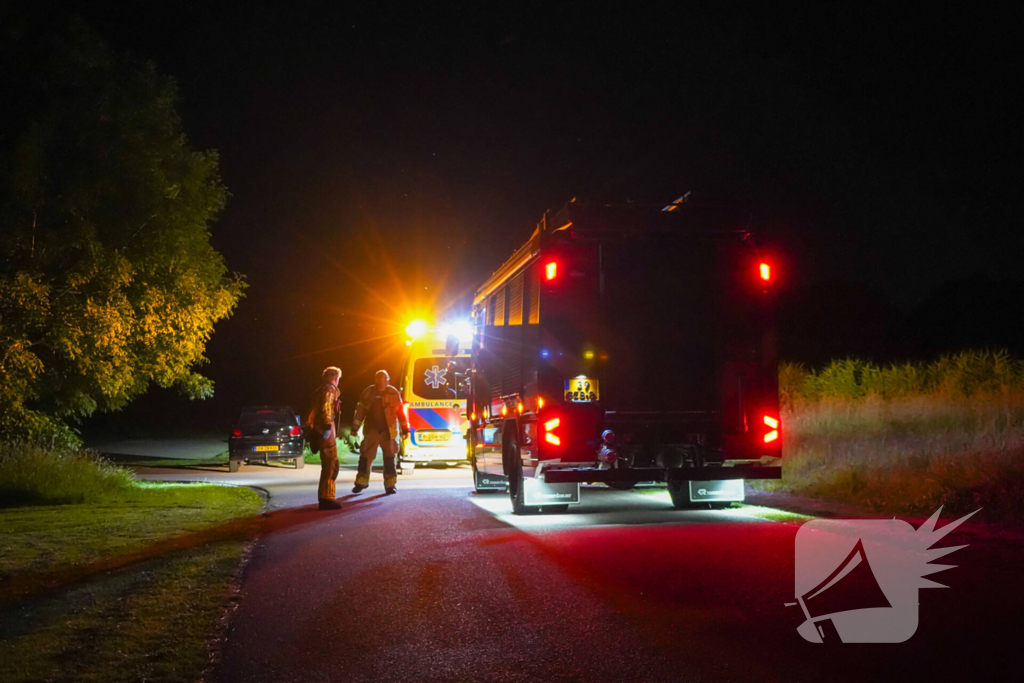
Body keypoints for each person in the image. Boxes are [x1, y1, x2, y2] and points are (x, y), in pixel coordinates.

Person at [351, 369, 409, 495]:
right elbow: (360, 411)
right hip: (372, 430)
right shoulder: (368, 393)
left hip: (389, 431)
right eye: (379, 379)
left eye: (384, 379)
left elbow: (400, 412)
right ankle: (361, 482)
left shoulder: (394, 393)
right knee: (365, 457)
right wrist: (355, 428)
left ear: (388, 380)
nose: (381, 382)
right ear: (376, 380)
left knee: (389, 459)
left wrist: (405, 428)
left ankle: (390, 485)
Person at [307, 366, 342, 510]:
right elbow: (327, 407)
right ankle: (326, 498)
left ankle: (325, 497)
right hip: (325, 431)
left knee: (330, 464)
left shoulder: (320, 390)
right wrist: (328, 426)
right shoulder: (329, 390)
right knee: (331, 464)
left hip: (320, 429)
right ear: (335, 378)